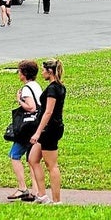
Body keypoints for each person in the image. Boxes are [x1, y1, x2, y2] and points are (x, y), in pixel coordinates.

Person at [29, 58, 67, 204]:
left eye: (44, 70)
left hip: (49, 129)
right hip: (51, 128)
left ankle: (57, 201)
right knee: (33, 159)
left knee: (52, 165)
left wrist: (38, 132)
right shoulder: (60, 87)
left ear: (50, 71)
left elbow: (48, 112)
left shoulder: (52, 89)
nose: (42, 73)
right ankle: (42, 195)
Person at [7, 60, 43, 201]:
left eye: (20, 71)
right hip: (36, 126)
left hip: (27, 127)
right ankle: (35, 191)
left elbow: (31, 107)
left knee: (14, 155)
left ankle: (22, 187)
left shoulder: (27, 89)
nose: (18, 73)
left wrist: (19, 101)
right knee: (31, 158)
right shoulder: (36, 86)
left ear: (24, 73)